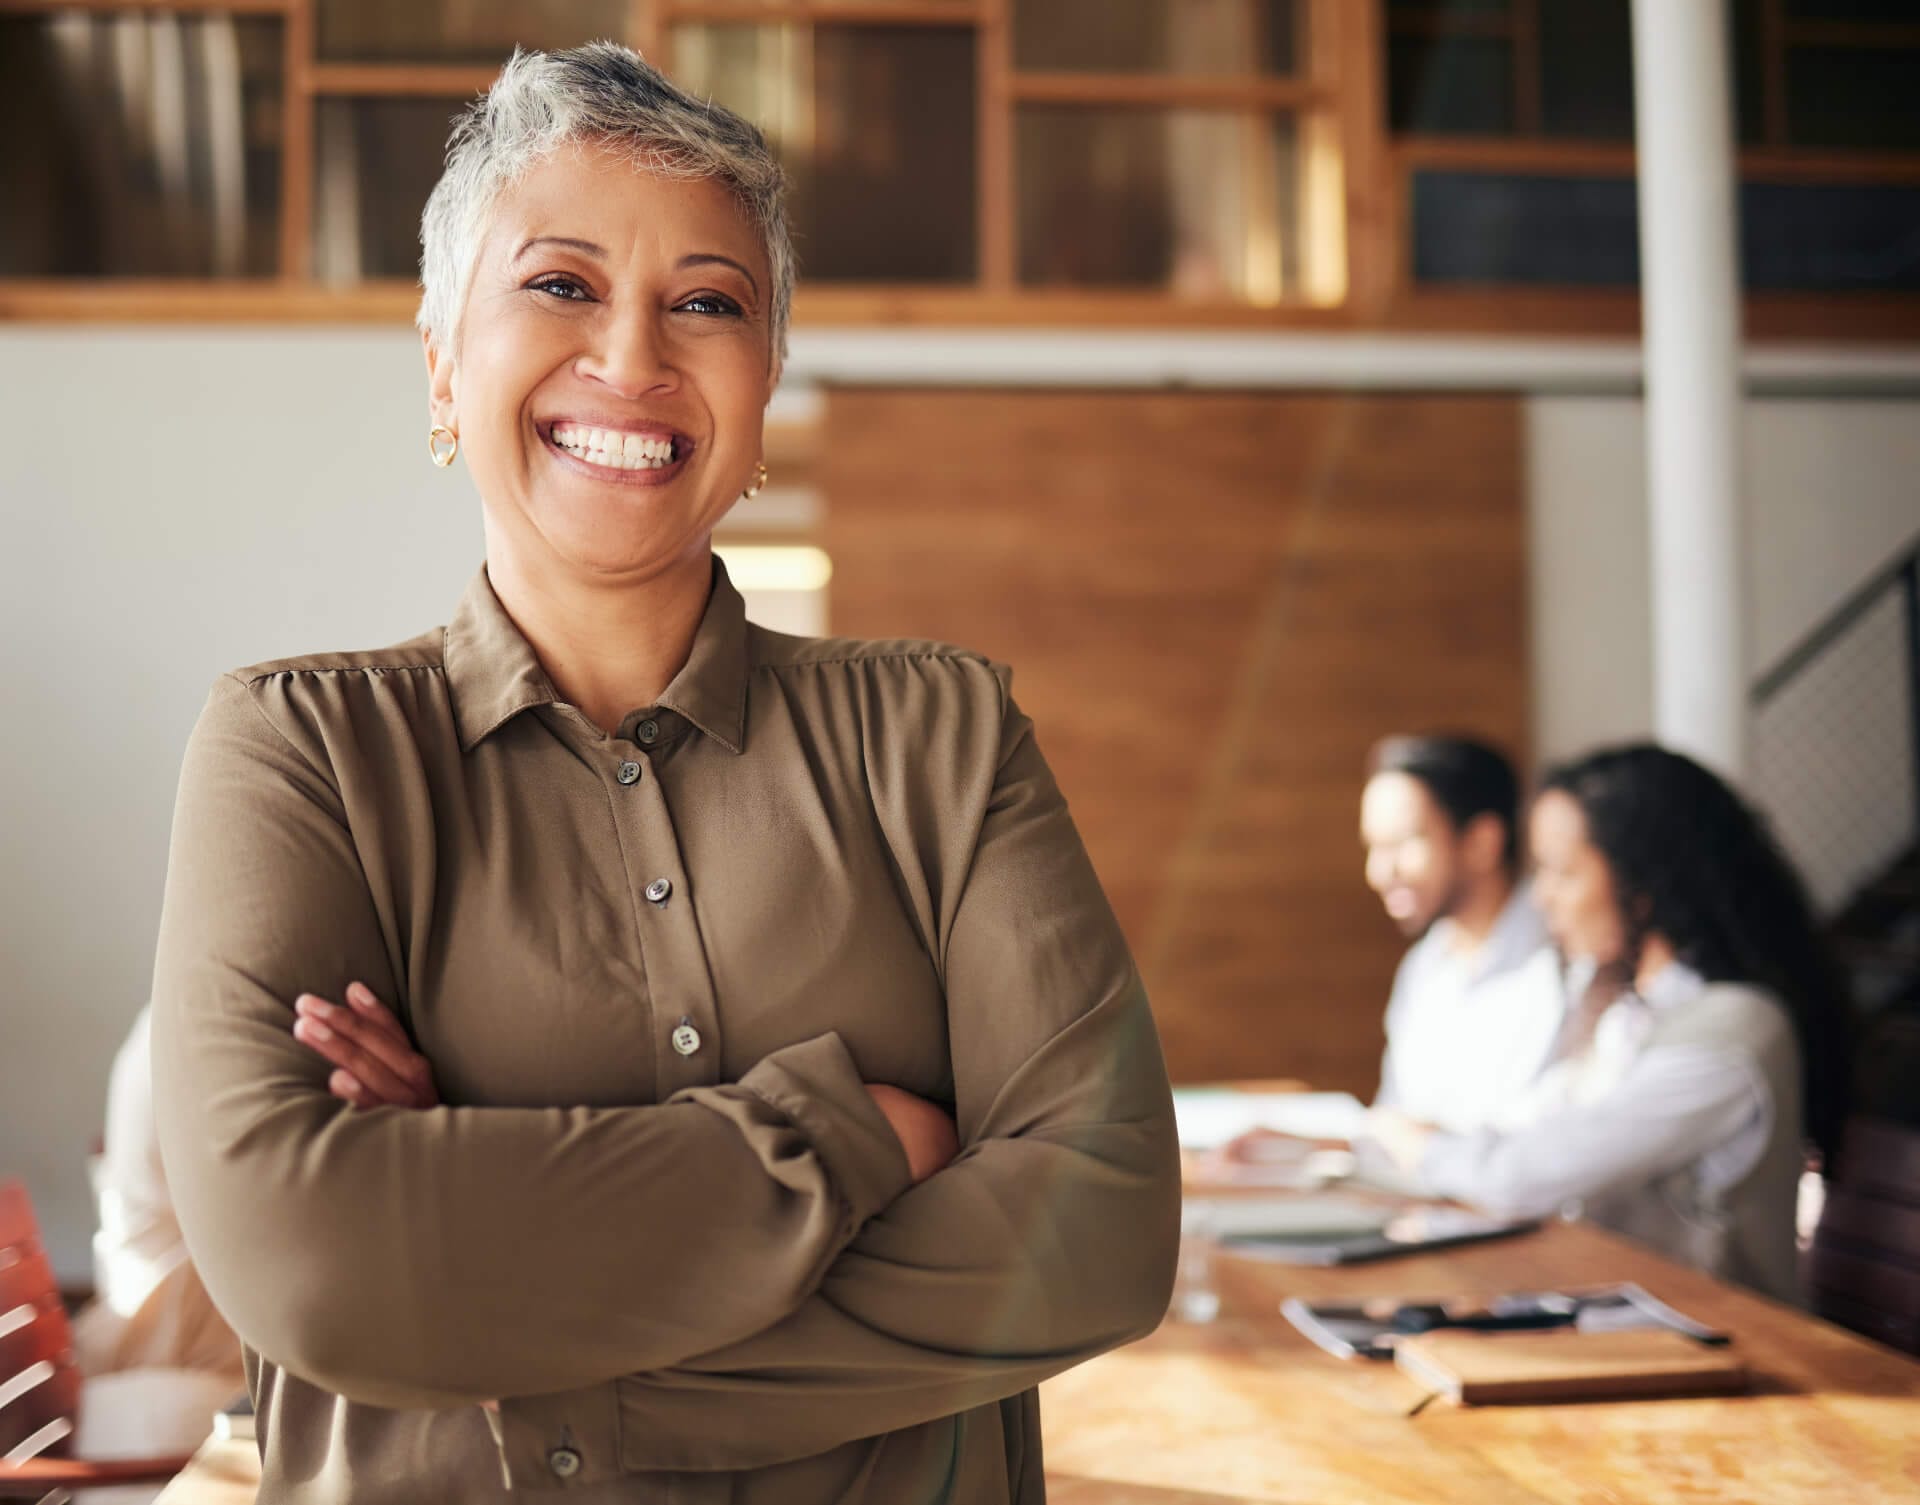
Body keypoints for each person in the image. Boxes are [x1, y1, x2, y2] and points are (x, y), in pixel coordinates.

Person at [149, 43, 1179, 1504]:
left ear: (761, 388)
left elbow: (1100, 1230)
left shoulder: (941, 737)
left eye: (706, 302)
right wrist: (853, 1136)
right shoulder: (300, 754)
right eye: (560, 285)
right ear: (445, 363)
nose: (632, 357)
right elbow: (310, 1264)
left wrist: (481, 1265)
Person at [1366, 744, 1851, 1303]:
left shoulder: (1733, 1031)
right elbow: (1528, 1131)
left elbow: (1523, 1176)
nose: (1542, 900)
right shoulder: (1625, 1016)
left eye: (1562, 873)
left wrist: (1415, 1144)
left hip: (1731, 1352)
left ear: (1641, 886)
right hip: (1618, 1328)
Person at [1358, 735, 1566, 1133]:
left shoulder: (1561, 961)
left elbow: (1526, 1146)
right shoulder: (1426, 965)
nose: (1380, 873)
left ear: (1482, 842)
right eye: (1373, 847)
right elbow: (1394, 1125)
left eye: (1404, 843)